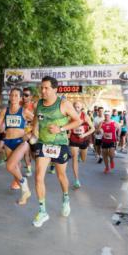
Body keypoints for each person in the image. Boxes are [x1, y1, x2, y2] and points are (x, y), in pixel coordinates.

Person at [31, 76, 81, 227]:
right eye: (42, 87)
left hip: (59, 144)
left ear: (55, 89)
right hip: (43, 144)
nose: (43, 90)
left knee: (61, 176)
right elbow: (36, 117)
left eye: (46, 88)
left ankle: (65, 198)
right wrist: (34, 129)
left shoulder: (63, 104)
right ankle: (42, 211)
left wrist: (60, 128)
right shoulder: (39, 103)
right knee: (38, 176)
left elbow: (78, 120)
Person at [0, 88, 33, 204]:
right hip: (8, 142)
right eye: (12, 95)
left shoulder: (24, 111)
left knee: (9, 166)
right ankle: (24, 192)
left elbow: (38, 121)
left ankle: (23, 182)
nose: (13, 97)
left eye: (16, 95)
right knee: (15, 167)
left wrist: (30, 134)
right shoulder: (4, 110)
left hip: (20, 142)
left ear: (21, 98)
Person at [69, 101, 94, 189]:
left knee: (83, 159)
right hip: (74, 139)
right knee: (74, 157)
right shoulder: (70, 116)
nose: (76, 108)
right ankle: (76, 180)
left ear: (81, 108)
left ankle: (81, 156)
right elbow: (67, 126)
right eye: (75, 107)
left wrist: (84, 135)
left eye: (78, 107)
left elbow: (93, 128)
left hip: (84, 139)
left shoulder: (85, 116)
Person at [22, 87, 36, 177]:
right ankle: (29, 169)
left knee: (34, 154)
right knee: (25, 151)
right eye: (23, 95)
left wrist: (29, 114)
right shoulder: (20, 106)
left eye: (26, 95)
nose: (24, 97)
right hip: (23, 132)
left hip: (33, 132)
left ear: (31, 96)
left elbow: (38, 119)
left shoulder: (34, 105)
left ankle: (44, 165)